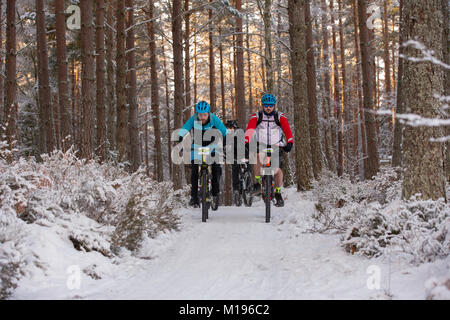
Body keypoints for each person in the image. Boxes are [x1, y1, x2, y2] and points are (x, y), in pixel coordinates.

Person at [244, 94, 293, 207]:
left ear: (274, 105)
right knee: (257, 158)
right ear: (263, 105)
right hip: (261, 145)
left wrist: (290, 142)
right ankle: (257, 183)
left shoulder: (280, 117)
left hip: (276, 146)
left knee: (278, 171)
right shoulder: (257, 116)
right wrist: (246, 141)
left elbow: (287, 130)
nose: (268, 108)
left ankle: (278, 193)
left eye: (270, 106)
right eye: (266, 105)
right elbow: (249, 130)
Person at [178, 101, 228, 208]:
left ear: (208, 113)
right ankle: (194, 198)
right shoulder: (194, 119)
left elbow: (224, 131)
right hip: (197, 146)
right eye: (200, 115)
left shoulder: (213, 119)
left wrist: (225, 140)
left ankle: (215, 192)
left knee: (216, 167)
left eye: (205, 115)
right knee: (195, 170)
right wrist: (180, 136)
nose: (202, 117)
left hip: (212, 146)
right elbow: (185, 128)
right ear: (197, 114)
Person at [225, 120, 243, 201]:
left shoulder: (240, 133)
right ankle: (236, 187)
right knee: (235, 167)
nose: (230, 130)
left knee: (248, 166)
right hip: (234, 155)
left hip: (244, 153)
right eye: (228, 128)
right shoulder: (226, 136)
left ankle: (248, 182)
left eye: (231, 128)